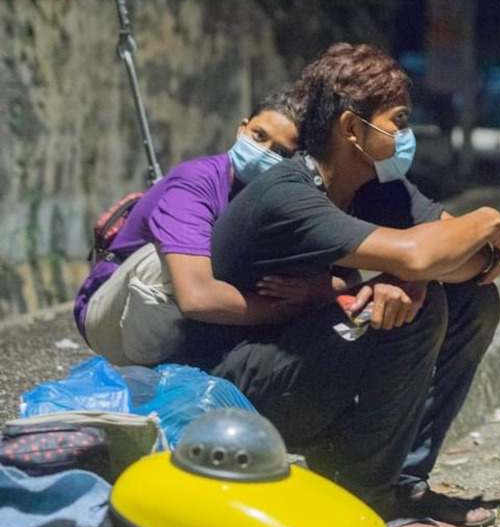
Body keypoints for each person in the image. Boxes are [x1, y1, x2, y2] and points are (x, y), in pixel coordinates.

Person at [203, 43, 500, 527]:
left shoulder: (377, 186)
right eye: (397, 120)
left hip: (308, 359)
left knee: (471, 302)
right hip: (238, 387)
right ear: (352, 129)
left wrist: (420, 270)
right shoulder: (288, 192)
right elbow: (434, 251)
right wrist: (486, 220)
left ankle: (405, 483)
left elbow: (468, 263)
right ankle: (368, 498)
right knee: (413, 308)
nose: (406, 135)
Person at [75, 87, 338, 367]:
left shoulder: (284, 199)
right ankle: (150, 379)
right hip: (109, 316)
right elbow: (196, 298)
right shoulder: (196, 182)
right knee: (165, 267)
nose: (262, 153)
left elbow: (343, 270)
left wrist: (315, 290)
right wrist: (284, 310)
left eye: (280, 152)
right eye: (258, 136)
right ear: (242, 129)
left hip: (190, 325)